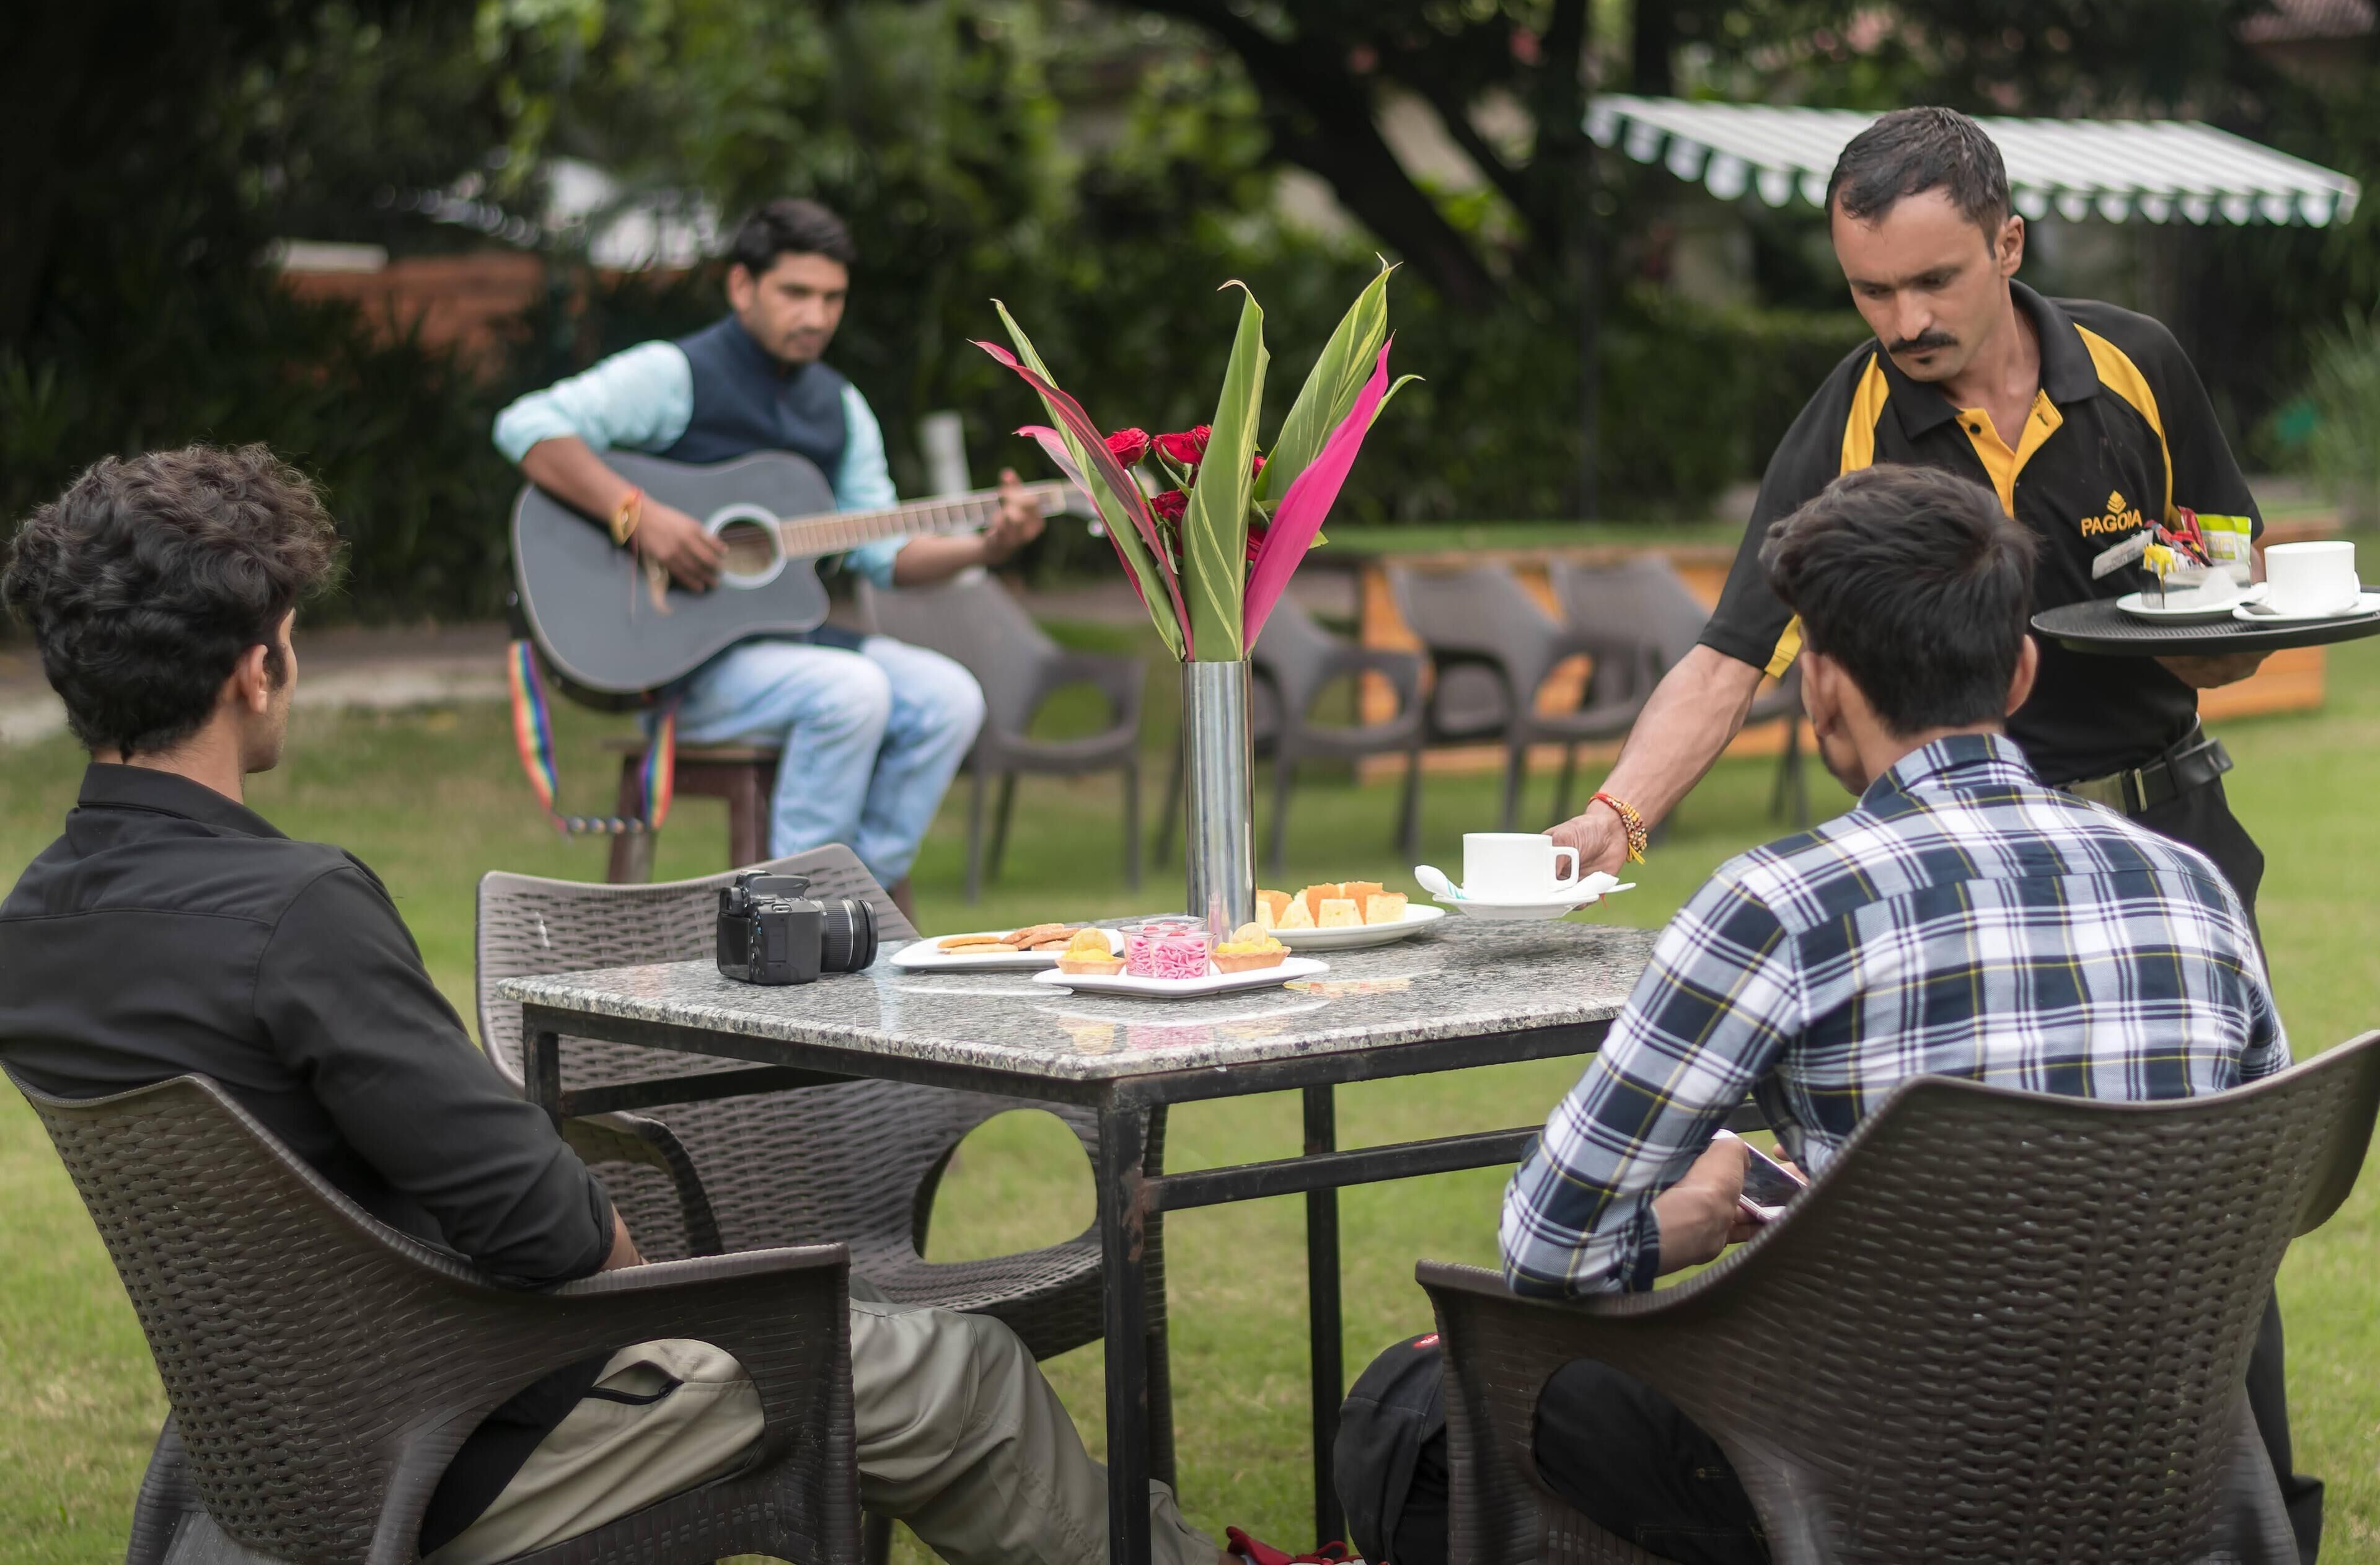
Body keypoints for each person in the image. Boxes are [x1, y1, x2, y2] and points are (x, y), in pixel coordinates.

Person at [0, 445, 1263, 1565]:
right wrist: (684, 1312)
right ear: (255, 667)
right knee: (958, 1370)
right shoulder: (295, 913)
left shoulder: (34, 932)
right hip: (459, 1439)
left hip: (276, 1442)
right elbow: (540, 1225)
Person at [1543, 106, 2317, 1554]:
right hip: (1935, 881)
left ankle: (2244, 1522)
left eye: (1931, 283)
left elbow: (2239, 590)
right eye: (1868, 290)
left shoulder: (2134, 366)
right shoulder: (1847, 418)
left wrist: (2190, 616)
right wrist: (1611, 812)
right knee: (1982, 1228)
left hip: (2160, 840)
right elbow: (1729, 651)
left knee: (2197, 1230)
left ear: (2006, 247)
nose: (1900, 320)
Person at [1341, 465, 2291, 1565]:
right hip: (2150, 1462)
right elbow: (2255, 1185)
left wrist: (1682, 1225)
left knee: (1409, 1414)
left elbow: (1551, 1247)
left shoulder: (1779, 904)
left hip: (1877, 1477)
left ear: (1822, 687)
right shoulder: (2193, 887)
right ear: (2022, 668)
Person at [493, 197, 1040, 893]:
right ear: (742, 286)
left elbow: (884, 552)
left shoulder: (841, 407)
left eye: (832, 298)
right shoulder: (675, 374)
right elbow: (527, 426)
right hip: (676, 662)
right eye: (796, 293)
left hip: (791, 650)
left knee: (950, 697)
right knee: (852, 691)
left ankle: (854, 896)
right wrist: (640, 516)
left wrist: (985, 550)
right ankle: (781, 909)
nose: (815, 316)